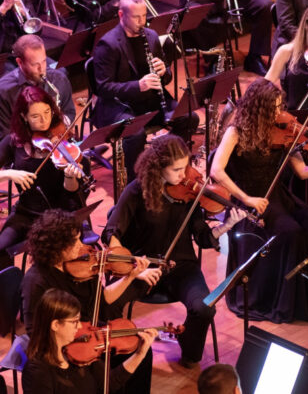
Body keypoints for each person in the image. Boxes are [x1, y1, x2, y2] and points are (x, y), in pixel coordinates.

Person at [209, 78, 308, 323]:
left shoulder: (283, 132)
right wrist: (247, 198)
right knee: (291, 234)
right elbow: (216, 171)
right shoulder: (236, 132)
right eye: (273, 108)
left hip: (279, 198)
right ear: (258, 108)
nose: (280, 113)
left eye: (280, 106)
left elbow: (302, 172)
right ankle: (285, 304)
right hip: (250, 203)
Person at [103, 135, 246, 368]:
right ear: (158, 167)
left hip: (182, 268)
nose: (184, 175)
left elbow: (203, 237)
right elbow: (111, 232)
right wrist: (131, 268)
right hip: (144, 269)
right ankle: (118, 360)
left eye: (186, 167)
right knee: (108, 303)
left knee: (204, 308)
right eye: (177, 169)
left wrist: (226, 226)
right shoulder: (136, 192)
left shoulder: (189, 195)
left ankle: (189, 354)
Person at [21, 209, 160, 393]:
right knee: (101, 371)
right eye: (74, 242)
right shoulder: (36, 282)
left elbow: (101, 300)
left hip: (92, 331)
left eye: (80, 238)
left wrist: (130, 277)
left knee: (140, 347)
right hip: (66, 344)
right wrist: (78, 340)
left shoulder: (85, 265)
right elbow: (35, 331)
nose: (81, 245)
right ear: (57, 247)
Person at [91, 0, 199, 182]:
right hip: (119, 106)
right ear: (121, 15)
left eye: (144, 16)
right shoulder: (107, 44)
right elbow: (103, 88)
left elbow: (166, 77)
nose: (142, 22)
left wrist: (163, 71)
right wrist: (137, 86)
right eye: (136, 17)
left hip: (151, 100)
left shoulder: (151, 36)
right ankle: (136, 182)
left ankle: (168, 164)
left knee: (190, 117)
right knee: (135, 134)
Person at [0, 86, 85, 275]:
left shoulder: (61, 139)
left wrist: (70, 176)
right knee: (0, 251)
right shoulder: (14, 142)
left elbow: (72, 192)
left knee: (51, 261)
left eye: (47, 112)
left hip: (60, 214)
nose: (45, 120)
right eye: (36, 116)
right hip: (27, 212)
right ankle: (6, 302)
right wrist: (10, 174)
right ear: (24, 117)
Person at [22, 288, 158, 394]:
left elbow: (108, 384)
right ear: (55, 325)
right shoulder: (37, 371)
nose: (80, 326)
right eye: (74, 322)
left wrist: (139, 354)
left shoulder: (81, 350)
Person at [0, 35, 76, 142]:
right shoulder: (2, 91)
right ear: (20, 62)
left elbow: (69, 112)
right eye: (35, 64)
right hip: (24, 150)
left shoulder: (59, 79)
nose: (42, 69)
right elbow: (4, 137)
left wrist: (57, 130)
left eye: (44, 61)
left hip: (57, 141)